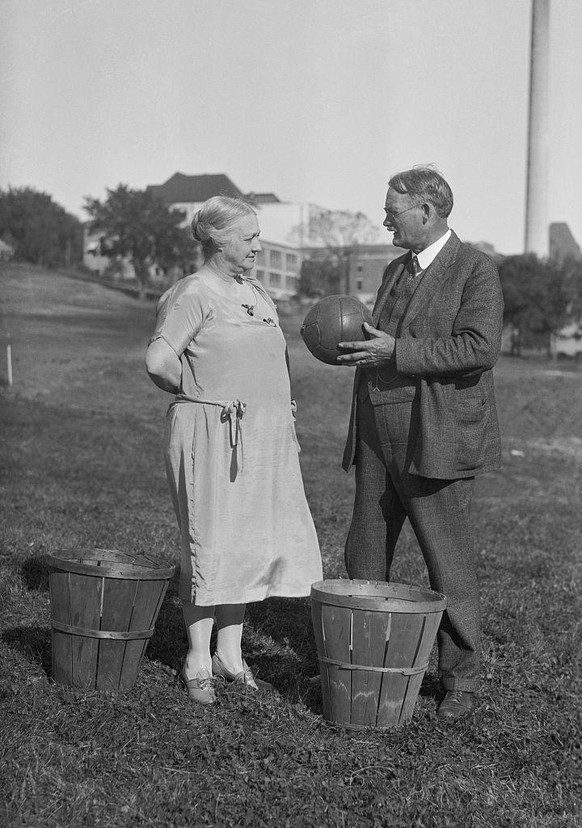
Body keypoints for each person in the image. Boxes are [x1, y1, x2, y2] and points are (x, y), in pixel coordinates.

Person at [337, 166, 503, 722]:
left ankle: (462, 680)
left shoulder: (475, 270)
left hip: (437, 437)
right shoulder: (392, 270)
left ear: (427, 213)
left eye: (394, 209)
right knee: (364, 554)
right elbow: (382, 342)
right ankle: (359, 657)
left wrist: (395, 353)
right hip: (378, 435)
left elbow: (477, 349)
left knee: (447, 562)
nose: (385, 217)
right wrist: (352, 345)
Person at [145, 196, 322, 705]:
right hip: (210, 431)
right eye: (249, 238)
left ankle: (231, 654)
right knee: (210, 541)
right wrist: (203, 393)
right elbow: (158, 360)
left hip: (262, 438)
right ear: (218, 240)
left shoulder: (256, 292)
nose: (258, 246)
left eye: (257, 236)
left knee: (246, 543)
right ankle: (196, 657)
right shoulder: (194, 292)